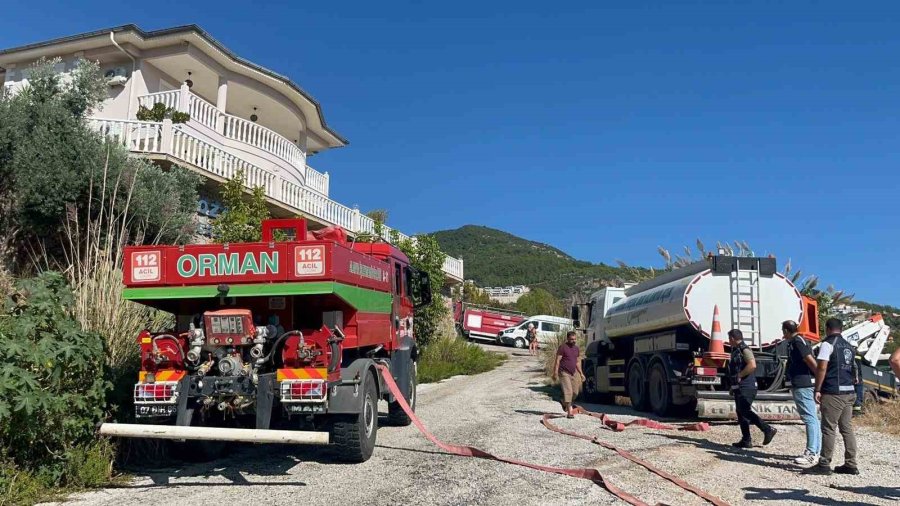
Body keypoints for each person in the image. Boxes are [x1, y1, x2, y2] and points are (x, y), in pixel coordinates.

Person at [804, 318, 859, 476]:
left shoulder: (827, 344)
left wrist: (817, 389)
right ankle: (851, 464)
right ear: (841, 329)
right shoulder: (849, 346)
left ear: (827, 328)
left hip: (834, 392)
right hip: (849, 392)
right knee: (846, 428)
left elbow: (821, 368)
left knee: (828, 428)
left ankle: (824, 464)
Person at [728, 329, 777, 448]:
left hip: (747, 386)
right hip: (739, 387)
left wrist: (740, 375)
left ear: (733, 338)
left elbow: (752, 365)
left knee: (744, 410)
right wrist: (733, 386)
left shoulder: (744, 349)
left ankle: (767, 429)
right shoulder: (736, 350)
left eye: (729, 339)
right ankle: (746, 440)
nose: (729, 341)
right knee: (740, 412)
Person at [782, 320, 820, 465]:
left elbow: (809, 359)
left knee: (809, 418)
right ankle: (816, 451)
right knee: (814, 418)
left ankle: (811, 452)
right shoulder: (799, 341)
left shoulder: (797, 342)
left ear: (786, 331)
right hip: (804, 383)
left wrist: (819, 376)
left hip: (803, 384)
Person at [552, 331, 586, 418]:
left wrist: (581, 373)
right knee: (569, 392)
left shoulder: (576, 348)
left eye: (575, 339)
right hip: (564, 372)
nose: (573, 341)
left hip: (573, 372)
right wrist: (555, 372)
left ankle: (564, 402)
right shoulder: (563, 347)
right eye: (571, 339)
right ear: (567, 339)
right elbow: (557, 360)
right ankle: (569, 412)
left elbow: (577, 362)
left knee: (575, 392)